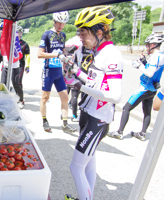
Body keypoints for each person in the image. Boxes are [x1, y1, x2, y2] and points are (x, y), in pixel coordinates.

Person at [62, 6, 123, 200]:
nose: (80, 36)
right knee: (89, 164)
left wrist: (80, 88)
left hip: (98, 119)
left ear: (99, 31)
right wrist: (75, 71)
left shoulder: (112, 54)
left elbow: (115, 95)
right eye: (79, 31)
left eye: (83, 32)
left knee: (75, 167)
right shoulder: (97, 51)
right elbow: (93, 82)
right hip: (88, 114)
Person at [108, 33, 164, 141]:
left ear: (153, 44)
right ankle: (143, 133)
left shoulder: (155, 57)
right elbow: (156, 71)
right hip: (152, 89)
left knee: (126, 108)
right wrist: (144, 62)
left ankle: (119, 132)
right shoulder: (161, 56)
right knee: (147, 112)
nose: (147, 47)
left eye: (148, 45)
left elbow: (150, 73)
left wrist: (139, 65)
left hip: (144, 88)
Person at [37, 11, 76, 133]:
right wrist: (56, 54)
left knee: (65, 97)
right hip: (48, 71)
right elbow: (39, 54)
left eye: (63, 23)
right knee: (45, 97)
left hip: (58, 71)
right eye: (59, 22)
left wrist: (67, 57)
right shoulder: (46, 35)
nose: (60, 25)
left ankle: (65, 124)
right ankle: (44, 121)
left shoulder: (63, 35)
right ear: (54, 21)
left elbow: (63, 52)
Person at [65, 29, 83, 122]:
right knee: (75, 94)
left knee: (65, 92)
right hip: (75, 69)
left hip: (66, 68)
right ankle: (74, 116)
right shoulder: (80, 43)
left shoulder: (68, 41)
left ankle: (62, 113)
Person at [17, 25, 30, 109]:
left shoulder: (24, 44)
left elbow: (28, 56)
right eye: (16, 32)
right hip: (12, 64)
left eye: (19, 32)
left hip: (21, 64)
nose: (18, 33)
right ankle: (16, 97)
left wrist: (28, 66)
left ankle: (21, 100)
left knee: (18, 81)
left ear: (21, 33)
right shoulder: (11, 42)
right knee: (13, 81)